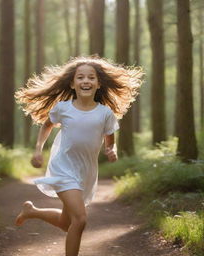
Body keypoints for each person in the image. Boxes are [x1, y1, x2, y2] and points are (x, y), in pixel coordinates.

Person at [14, 56, 143, 256]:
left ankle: (32, 211)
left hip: (86, 172)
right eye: (80, 77)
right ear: (72, 84)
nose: (86, 81)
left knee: (67, 224)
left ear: (99, 84)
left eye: (91, 77)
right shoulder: (63, 108)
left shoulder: (105, 113)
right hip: (63, 168)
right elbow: (47, 125)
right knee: (80, 220)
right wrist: (38, 149)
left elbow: (110, 139)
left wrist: (112, 150)